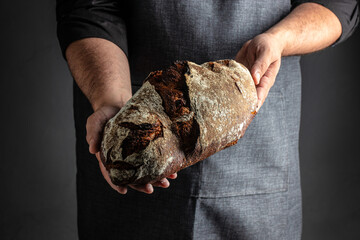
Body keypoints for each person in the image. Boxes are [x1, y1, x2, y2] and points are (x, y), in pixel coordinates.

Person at [56, 0, 358, 239]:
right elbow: (90, 7)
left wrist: (278, 40)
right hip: (131, 129)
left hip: (259, 157)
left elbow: (337, 4)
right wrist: (112, 102)